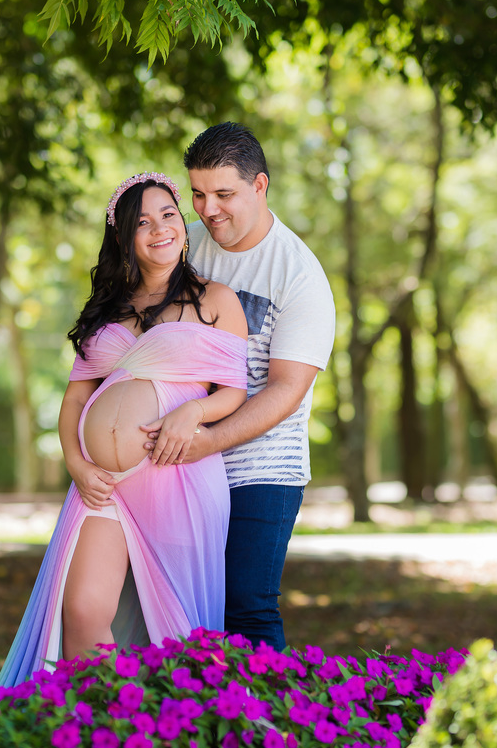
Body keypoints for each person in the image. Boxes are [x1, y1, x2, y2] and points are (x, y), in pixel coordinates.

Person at [0, 172, 248, 688]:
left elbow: (234, 393)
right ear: (125, 238)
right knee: (83, 612)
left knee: (179, 634)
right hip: (101, 488)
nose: (159, 229)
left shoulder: (216, 299)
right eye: (143, 222)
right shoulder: (107, 309)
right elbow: (75, 401)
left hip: (175, 475)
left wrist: (193, 413)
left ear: (184, 222)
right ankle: (105, 727)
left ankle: (171, 728)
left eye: (169, 214)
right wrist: (77, 463)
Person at [141, 122, 336, 652]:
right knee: (182, 608)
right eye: (199, 195)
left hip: (261, 468)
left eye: (224, 194)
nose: (208, 209)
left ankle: (274, 729)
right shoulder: (187, 247)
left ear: (260, 186)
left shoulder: (298, 276)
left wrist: (206, 437)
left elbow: (284, 391)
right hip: (180, 460)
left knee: (246, 606)